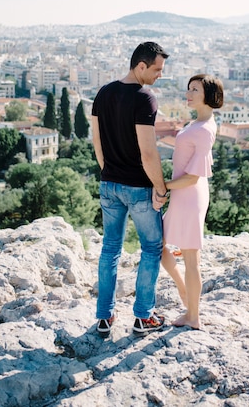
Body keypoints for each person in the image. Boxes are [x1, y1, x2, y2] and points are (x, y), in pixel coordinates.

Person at [91, 41, 170, 336]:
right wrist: (160, 188)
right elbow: (148, 153)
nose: (160, 75)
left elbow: (97, 142)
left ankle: (104, 317)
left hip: (108, 183)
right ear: (141, 66)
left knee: (110, 249)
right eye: (157, 69)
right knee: (151, 248)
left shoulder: (104, 92)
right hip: (138, 187)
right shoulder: (144, 98)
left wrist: (107, 172)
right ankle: (143, 317)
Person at [154, 73, 224, 330]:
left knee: (191, 259)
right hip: (184, 196)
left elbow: (193, 177)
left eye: (195, 89)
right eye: (189, 88)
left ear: (208, 95)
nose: (189, 93)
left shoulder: (204, 129)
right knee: (158, 245)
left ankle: (193, 315)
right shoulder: (200, 123)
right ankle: (184, 292)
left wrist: (162, 186)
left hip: (190, 195)